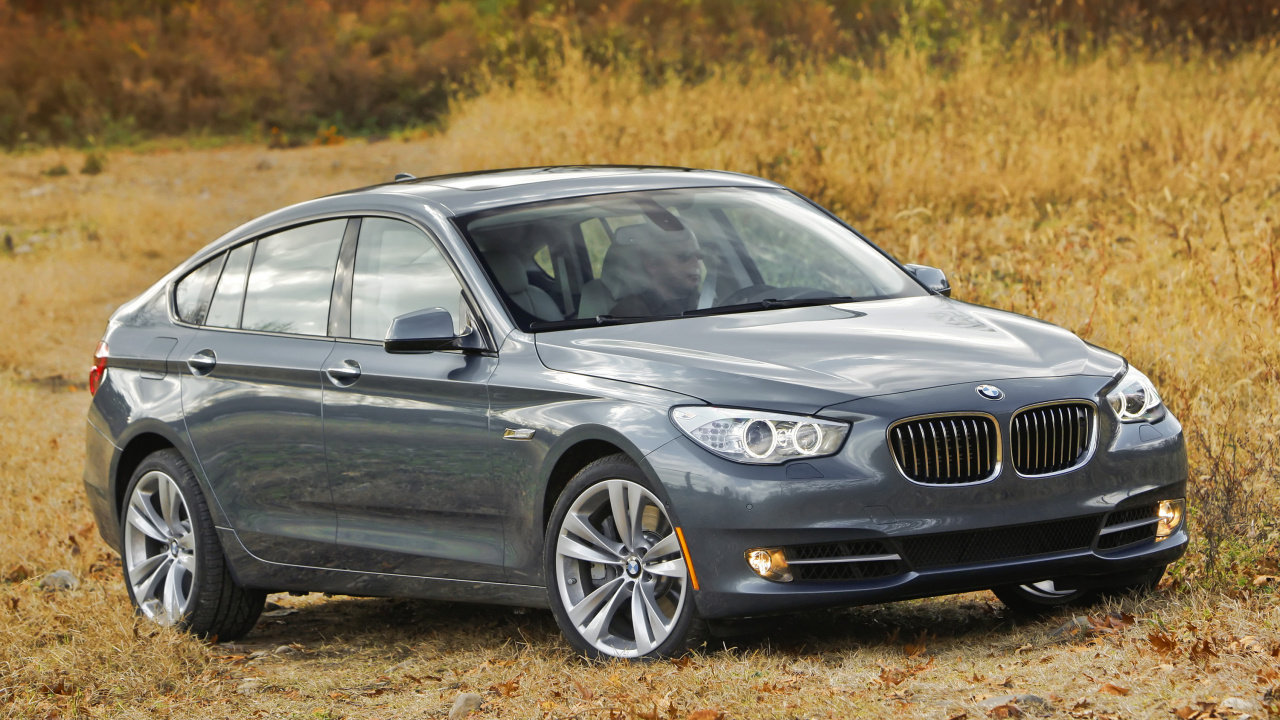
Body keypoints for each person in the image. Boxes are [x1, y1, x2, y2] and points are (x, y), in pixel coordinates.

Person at [608, 224, 704, 317]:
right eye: (684, 256)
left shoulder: (713, 304)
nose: (696, 263)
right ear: (652, 265)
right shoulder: (628, 314)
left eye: (699, 255)